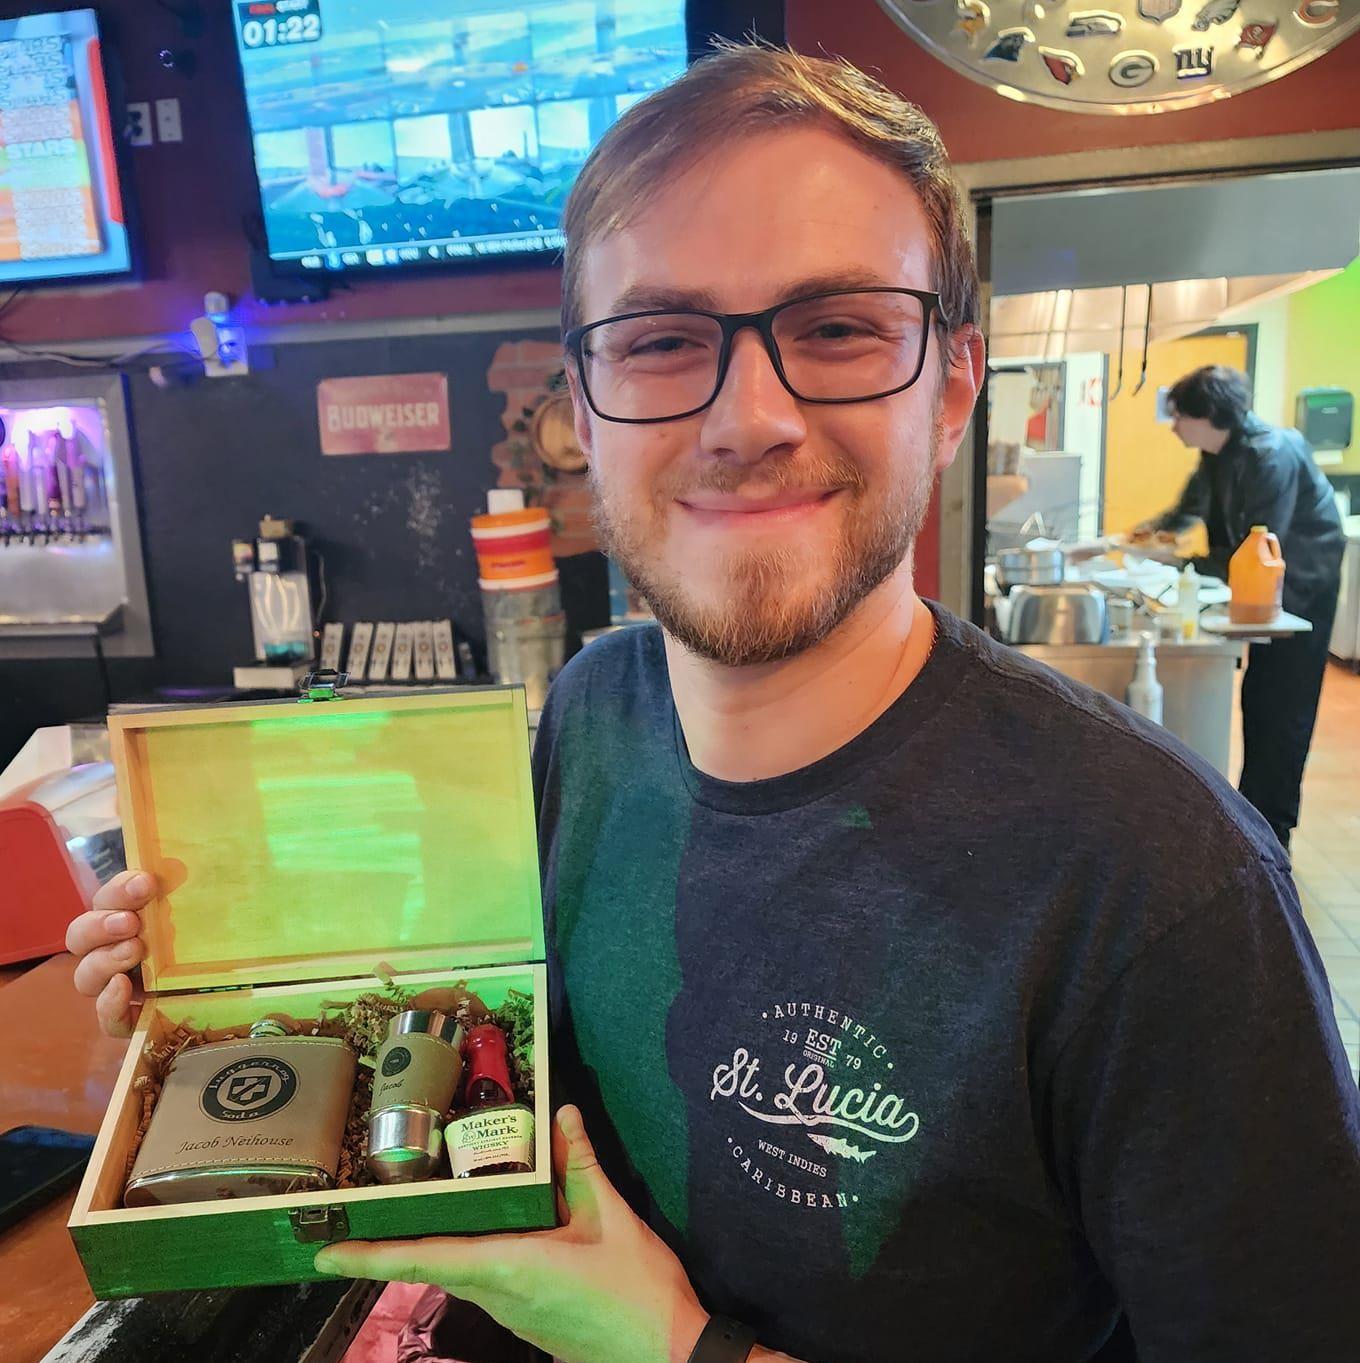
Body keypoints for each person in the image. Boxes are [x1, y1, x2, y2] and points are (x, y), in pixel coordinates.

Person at [67, 44, 1360, 1363]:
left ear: (953, 387)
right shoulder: (589, 711)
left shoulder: (1167, 892)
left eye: (838, 328)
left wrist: (681, 1347)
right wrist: (234, 1005)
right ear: (585, 407)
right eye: (661, 340)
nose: (750, 418)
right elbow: (502, 1039)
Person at [1135, 365, 1346, 851]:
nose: (1174, 427)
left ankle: (1273, 836)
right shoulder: (1218, 453)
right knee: (1257, 700)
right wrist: (1141, 538)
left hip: (1298, 593)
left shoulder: (1271, 454)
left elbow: (1258, 545)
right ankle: (1252, 823)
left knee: (1284, 709)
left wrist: (1180, 562)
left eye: (1179, 417)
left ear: (1208, 415)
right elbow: (1183, 512)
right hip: (1257, 594)